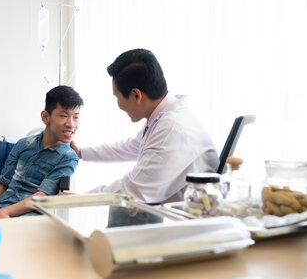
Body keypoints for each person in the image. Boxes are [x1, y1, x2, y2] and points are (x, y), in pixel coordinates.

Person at [71, 49, 219, 204]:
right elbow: (131, 147)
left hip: (186, 221)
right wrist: (81, 153)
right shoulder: (165, 117)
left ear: (136, 95)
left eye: (117, 97)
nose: (118, 104)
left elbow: (132, 190)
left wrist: (77, 200)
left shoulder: (172, 129)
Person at [0, 85, 83, 218]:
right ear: (45, 117)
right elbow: (4, 180)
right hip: (1, 207)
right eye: (64, 116)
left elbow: (43, 196)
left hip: (30, 212)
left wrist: (6, 212)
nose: (71, 124)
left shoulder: (68, 158)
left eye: (75, 117)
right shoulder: (23, 144)